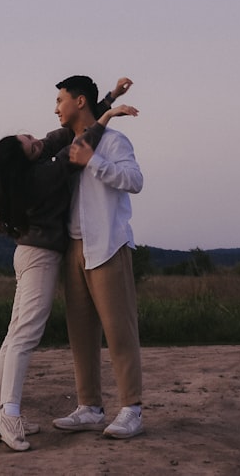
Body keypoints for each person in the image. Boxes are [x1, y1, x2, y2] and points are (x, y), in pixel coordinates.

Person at [0, 78, 136, 451]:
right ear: (26, 158)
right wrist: (109, 115)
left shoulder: (42, 157)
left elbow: (72, 136)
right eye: (29, 143)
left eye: (59, 100)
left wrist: (110, 99)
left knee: (17, 331)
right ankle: (11, 414)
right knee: (28, 334)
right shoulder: (44, 172)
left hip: (59, 251)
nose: (38, 138)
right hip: (46, 257)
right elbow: (78, 149)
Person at [50, 75, 145, 440]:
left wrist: (94, 162)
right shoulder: (66, 145)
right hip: (73, 247)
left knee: (120, 330)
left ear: (79, 102)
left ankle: (132, 409)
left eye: (60, 100)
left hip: (108, 244)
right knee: (81, 333)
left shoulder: (114, 141)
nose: (56, 108)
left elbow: (135, 180)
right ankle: (89, 407)